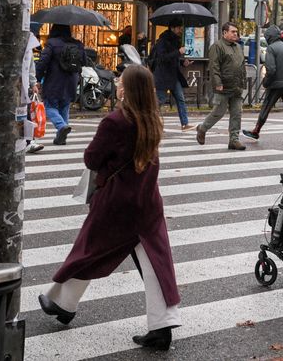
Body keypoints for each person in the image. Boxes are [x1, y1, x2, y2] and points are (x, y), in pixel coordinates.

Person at [38, 65, 181, 349]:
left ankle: (62, 302)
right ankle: (162, 325)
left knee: (88, 251)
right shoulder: (153, 119)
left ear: (127, 90)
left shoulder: (116, 121)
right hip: (147, 201)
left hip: (116, 202)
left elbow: (91, 159)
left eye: (120, 81)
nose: (116, 83)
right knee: (155, 262)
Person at [241, 26, 283, 145]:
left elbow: (271, 69)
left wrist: (266, 82)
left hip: (275, 84)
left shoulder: (271, 48)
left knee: (266, 108)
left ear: (269, 37)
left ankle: (256, 131)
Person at [196, 22, 246, 150]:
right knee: (218, 112)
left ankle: (234, 140)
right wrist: (217, 83)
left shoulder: (238, 47)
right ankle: (202, 128)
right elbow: (214, 67)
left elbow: (241, 66)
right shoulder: (217, 46)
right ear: (224, 33)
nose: (236, 33)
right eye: (233, 31)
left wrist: (243, 83)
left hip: (237, 86)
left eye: (236, 31)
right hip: (223, 86)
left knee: (237, 113)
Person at [37, 24, 86, 145]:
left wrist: (38, 78)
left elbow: (43, 62)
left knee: (49, 106)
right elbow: (84, 61)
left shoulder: (52, 43)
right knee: (64, 106)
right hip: (71, 80)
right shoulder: (78, 44)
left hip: (54, 80)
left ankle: (61, 126)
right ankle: (61, 138)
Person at [150, 23, 192, 133]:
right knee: (160, 100)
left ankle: (185, 124)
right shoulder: (162, 41)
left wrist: (183, 63)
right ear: (172, 27)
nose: (181, 30)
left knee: (180, 99)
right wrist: (178, 52)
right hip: (163, 76)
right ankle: (149, 122)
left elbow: (174, 59)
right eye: (179, 27)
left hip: (174, 75)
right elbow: (163, 58)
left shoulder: (176, 41)